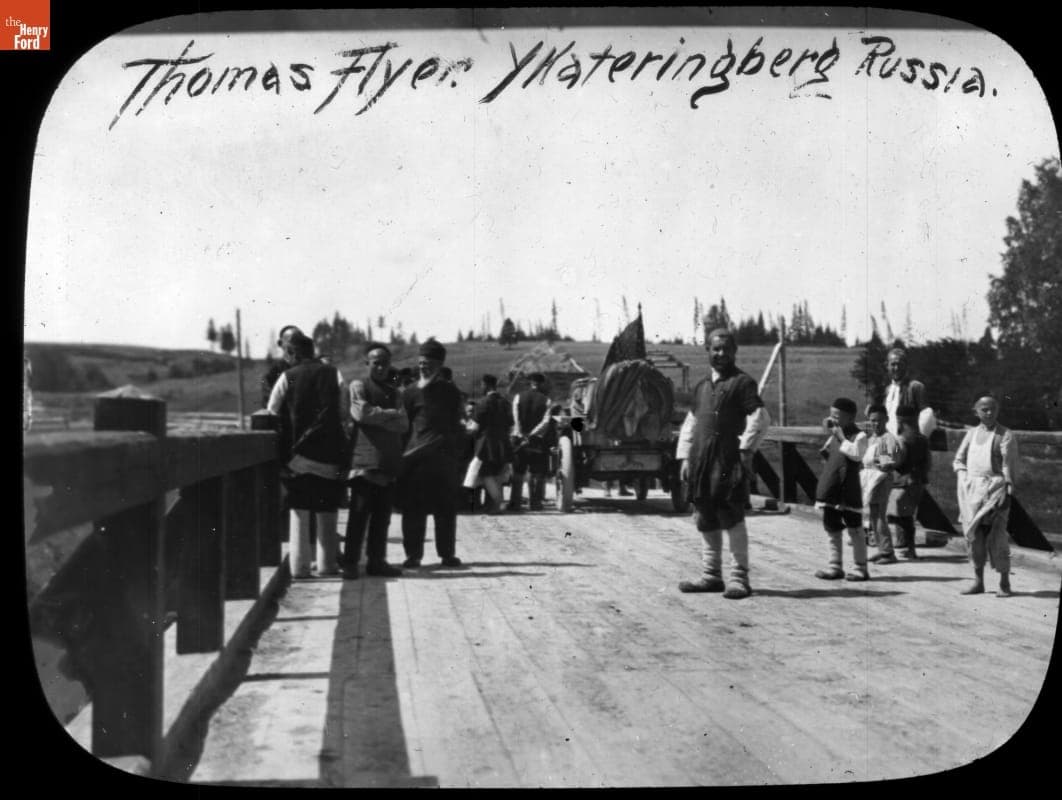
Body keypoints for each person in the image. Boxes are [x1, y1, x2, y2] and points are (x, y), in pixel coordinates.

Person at [675, 329, 770, 600]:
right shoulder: (702, 386)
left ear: (734, 351)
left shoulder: (743, 383)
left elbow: (760, 417)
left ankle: (739, 578)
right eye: (715, 349)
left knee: (732, 517)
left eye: (726, 349)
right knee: (705, 516)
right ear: (707, 350)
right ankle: (711, 576)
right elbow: (691, 423)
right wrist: (684, 457)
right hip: (701, 462)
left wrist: (745, 448)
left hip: (728, 461)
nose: (721, 354)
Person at [267, 332, 348, 579]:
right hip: (329, 453)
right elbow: (344, 412)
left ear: (292, 353)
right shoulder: (334, 373)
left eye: (287, 353)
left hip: (297, 456)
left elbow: (271, 412)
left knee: (299, 509)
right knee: (327, 508)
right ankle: (327, 565)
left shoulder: (287, 376)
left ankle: (300, 567)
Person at [341, 343, 407, 580]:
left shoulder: (395, 392)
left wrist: (376, 415)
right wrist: (389, 415)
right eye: (375, 362)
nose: (380, 367)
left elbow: (404, 424)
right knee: (358, 515)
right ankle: (350, 563)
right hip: (364, 462)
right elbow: (360, 413)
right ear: (366, 363)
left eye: (384, 363)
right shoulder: (358, 385)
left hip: (387, 462)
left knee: (382, 517)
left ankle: (376, 561)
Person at [398, 339, 465, 568]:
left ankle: (447, 554)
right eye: (420, 363)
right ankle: (413, 555)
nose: (423, 367)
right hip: (415, 461)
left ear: (439, 364)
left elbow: (457, 425)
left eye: (428, 363)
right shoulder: (409, 393)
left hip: (443, 460)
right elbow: (403, 426)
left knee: (445, 509)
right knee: (413, 510)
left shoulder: (450, 392)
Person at [953, 394, 1019, 597]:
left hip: (995, 491)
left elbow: (1009, 467)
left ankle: (1004, 583)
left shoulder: (1005, 435)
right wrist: (965, 481)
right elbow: (959, 460)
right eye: (984, 409)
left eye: (992, 409)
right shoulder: (971, 434)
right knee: (975, 537)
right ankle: (978, 581)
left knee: (998, 536)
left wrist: (1007, 493)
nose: (989, 413)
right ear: (976, 412)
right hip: (972, 492)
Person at [813, 397, 871, 582]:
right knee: (831, 526)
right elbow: (828, 452)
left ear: (851, 417)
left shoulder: (860, 436)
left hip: (849, 487)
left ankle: (860, 568)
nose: (833, 420)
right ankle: (835, 565)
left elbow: (856, 455)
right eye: (831, 415)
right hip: (833, 485)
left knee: (854, 527)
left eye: (837, 416)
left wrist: (840, 437)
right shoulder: (834, 434)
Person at [463, 374, 515, 512]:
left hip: (486, 444)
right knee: (497, 474)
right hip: (503, 443)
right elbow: (510, 424)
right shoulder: (505, 403)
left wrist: (464, 427)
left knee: (486, 474)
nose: (481, 387)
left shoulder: (483, 403)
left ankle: (498, 503)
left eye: (482, 384)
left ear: (486, 385)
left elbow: (474, 427)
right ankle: (493, 504)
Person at [862, 404, 904, 564]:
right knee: (873, 514)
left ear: (886, 420)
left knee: (879, 514)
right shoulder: (871, 438)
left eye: (879, 420)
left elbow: (887, 464)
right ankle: (882, 549)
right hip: (870, 478)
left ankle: (888, 552)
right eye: (872, 421)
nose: (875, 424)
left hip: (881, 478)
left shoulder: (888, 439)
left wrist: (880, 463)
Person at [510, 372, 552, 511]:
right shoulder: (546, 400)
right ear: (541, 384)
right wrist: (532, 434)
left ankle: (515, 502)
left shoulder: (518, 397)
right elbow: (546, 422)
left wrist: (521, 434)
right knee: (537, 472)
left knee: (518, 471)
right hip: (536, 441)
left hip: (519, 439)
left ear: (530, 383)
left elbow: (515, 418)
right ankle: (535, 502)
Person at [884, 347, 937, 439]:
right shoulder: (888, 390)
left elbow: (927, 415)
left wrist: (914, 441)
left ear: (906, 366)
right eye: (893, 364)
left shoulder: (915, 387)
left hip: (907, 444)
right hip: (890, 444)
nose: (896, 368)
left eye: (900, 364)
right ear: (887, 366)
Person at [261, 324, 303, 407]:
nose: (295, 346)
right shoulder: (272, 374)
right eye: (290, 342)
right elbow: (269, 405)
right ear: (281, 344)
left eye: (299, 342)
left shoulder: (311, 370)